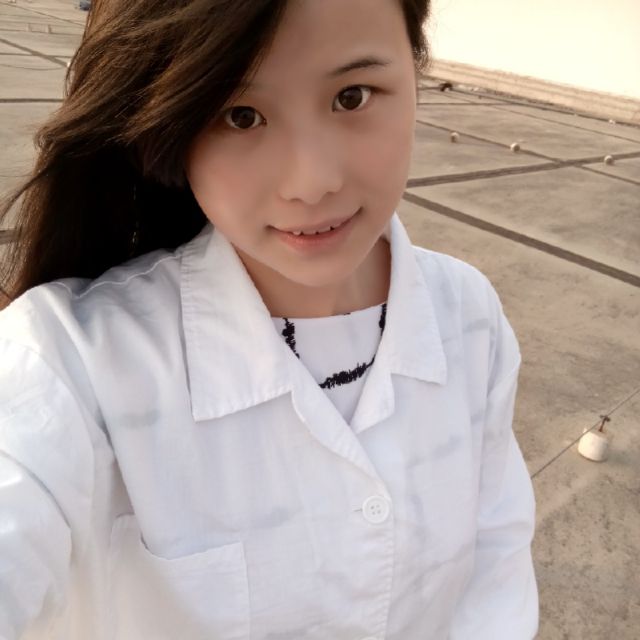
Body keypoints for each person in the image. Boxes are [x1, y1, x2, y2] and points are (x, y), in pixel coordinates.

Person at [0, 0, 539, 638]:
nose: (311, 183)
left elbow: (494, 579)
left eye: (352, 96)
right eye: (240, 115)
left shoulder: (469, 316)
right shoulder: (70, 363)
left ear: (415, 68)